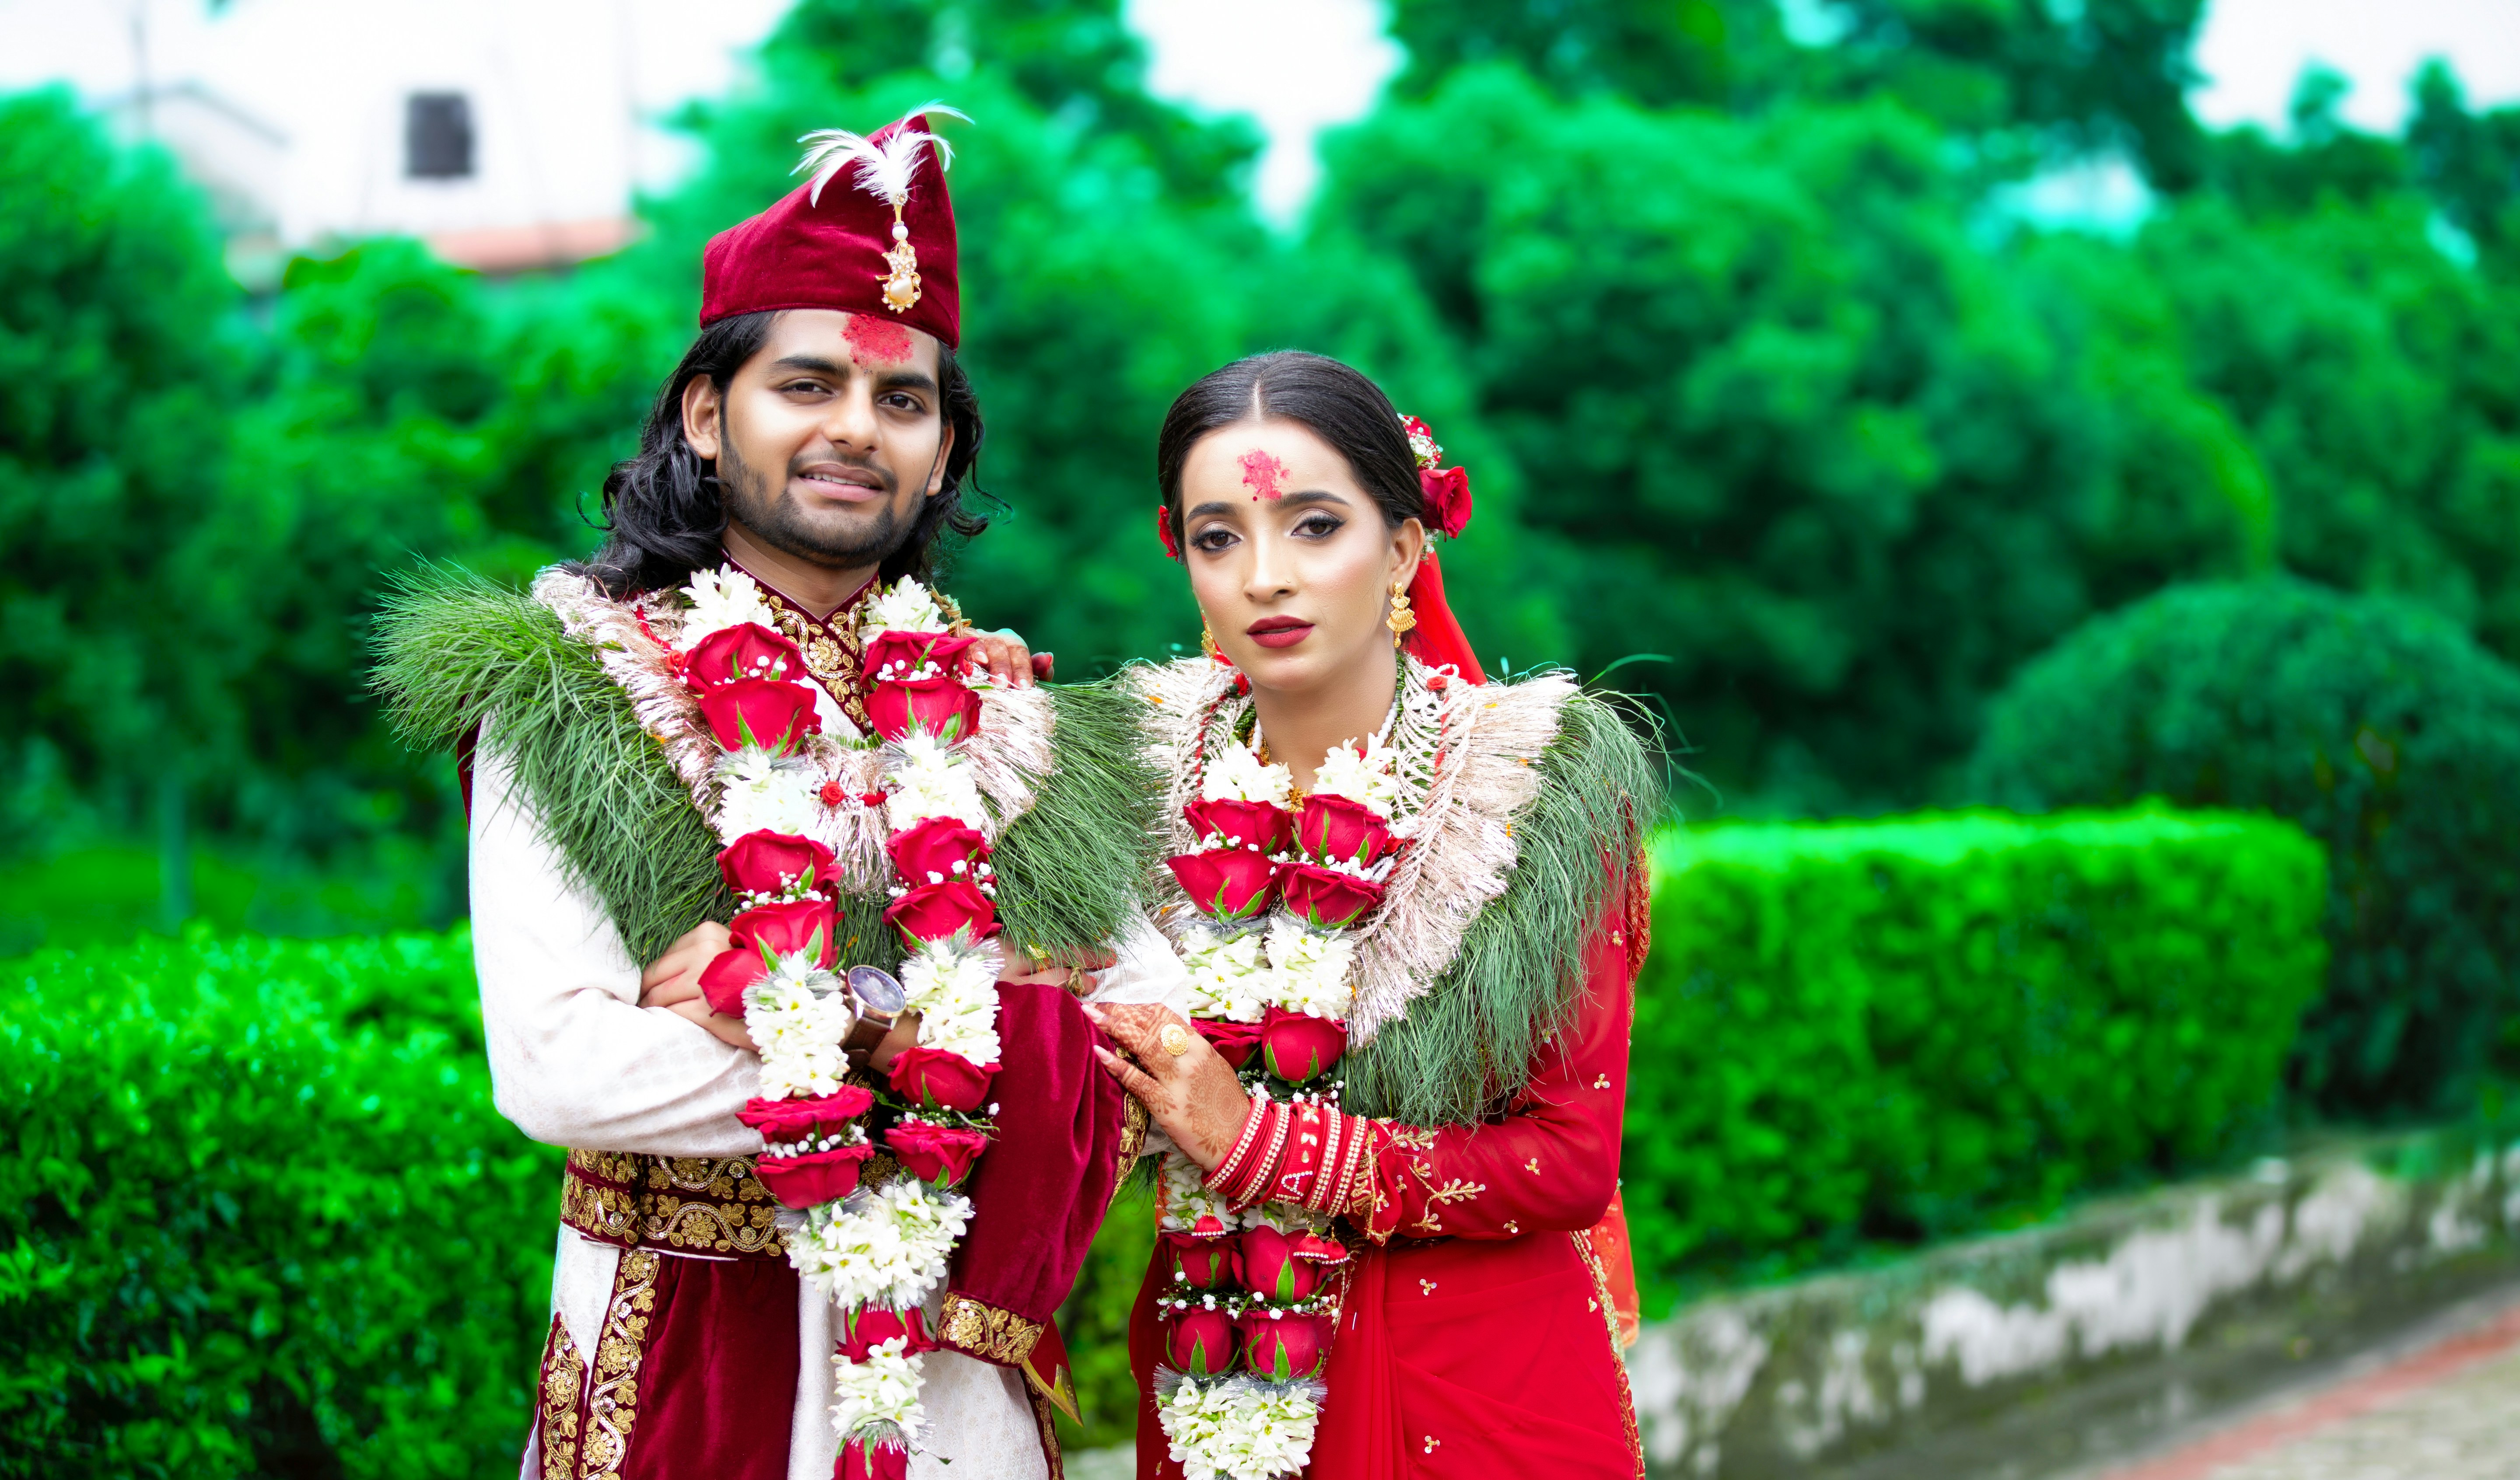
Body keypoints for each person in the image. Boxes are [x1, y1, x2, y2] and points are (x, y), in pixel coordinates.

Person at [375, 107, 1152, 1480]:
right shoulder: (579, 689)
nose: (857, 429)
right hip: (687, 1358)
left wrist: (807, 1013)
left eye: (903, 402)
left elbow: (1124, 1037)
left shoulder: (1011, 712)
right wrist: (943, 1037)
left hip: (958, 1392)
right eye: (807, 386)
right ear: (703, 413)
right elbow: (559, 1066)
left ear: (944, 452)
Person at [1085, 352, 1658, 1480]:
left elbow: (1569, 1162)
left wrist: (1259, 1144)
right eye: (1218, 537)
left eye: (1312, 527)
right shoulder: (1125, 780)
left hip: (1475, 1394)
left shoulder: (1533, 791)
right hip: (1217, 1360)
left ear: (1402, 547)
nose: (1263, 578)